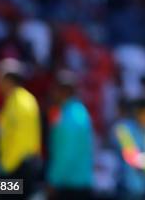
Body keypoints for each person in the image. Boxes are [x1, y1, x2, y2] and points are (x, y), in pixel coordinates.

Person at [0, 58, 43, 198]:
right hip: (19, 167)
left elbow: (19, 141)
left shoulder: (20, 103)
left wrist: (4, 168)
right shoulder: (18, 100)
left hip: (17, 169)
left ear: (8, 80)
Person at [46, 70, 94, 199]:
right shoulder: (81, 111)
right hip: (82, 182)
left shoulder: (67, 118)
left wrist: (53, 181)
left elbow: (65, 153)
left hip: (68, 186)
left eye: (55, 89)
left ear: (64, 91)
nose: (52, 93)